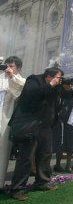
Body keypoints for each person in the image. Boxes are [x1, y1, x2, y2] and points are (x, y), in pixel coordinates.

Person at [9, 67, 63, 201]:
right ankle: (17, 188)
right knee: (26, 157)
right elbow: (30, 96)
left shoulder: (55, 87)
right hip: (31, 125)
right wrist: (50, 85)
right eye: (58, 78)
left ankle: (42, 182)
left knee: (45, 154)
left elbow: (65, 98)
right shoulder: (34, 80)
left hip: (45, 126)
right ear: (49, 77)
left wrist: (67, 88)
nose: (59, 81)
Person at [0, 56, 25, 189]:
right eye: (6, 65)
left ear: (19, 68)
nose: (8, 68)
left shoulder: (20, 80)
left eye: (12, 66)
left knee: (2, 153)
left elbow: (20, 89)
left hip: (6, 120)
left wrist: (11, 76)